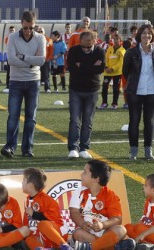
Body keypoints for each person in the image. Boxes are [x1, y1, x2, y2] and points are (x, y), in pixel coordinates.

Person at [0, 11, 45, 158]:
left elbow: (42, 60)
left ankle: (27, 149)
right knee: (13, 116)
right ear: (21, 24)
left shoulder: (40, 38)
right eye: (26, 27)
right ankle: (10, 147)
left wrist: (23, 57)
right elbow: (11, 60)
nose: (28, 31)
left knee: (31, 117)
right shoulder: (12, 37)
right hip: (16, 81)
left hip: (33, 81)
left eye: (31, 28)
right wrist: (31, 62)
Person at [70, 160, 135, 250]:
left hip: (105, 231)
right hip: (87, 232)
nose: (81, 174)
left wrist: (103, 225)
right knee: (77, 234)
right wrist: (83, 224)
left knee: (121, 230)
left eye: (85, 172)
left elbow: (117, 219)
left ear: (96, 179)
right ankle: (111, 246)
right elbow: (74, 212)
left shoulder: (110, 195)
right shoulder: (79, 192)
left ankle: (91, 248)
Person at [66, 31, 105, 160]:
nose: (85, 43)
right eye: (83, 40)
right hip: (76, 89)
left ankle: (84, 148)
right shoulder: (73, 50)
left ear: (94, 40)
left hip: (92, 90)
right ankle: (73, 147)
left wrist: (81, 66)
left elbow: (100, 69)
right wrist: (91, 66)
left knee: (88, 120)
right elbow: (72, 68)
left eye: (89, 41)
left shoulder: (99, 51)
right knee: (75, 120)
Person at [122, 24, 154, 160]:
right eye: (144, 33)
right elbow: (125, 71)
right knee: (134, 121)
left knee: (149, 122)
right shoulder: (131, 52)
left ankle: (148, 151)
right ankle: (133, 151)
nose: (147, 36)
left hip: (152, 91)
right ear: (139, 35)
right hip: (135, 91)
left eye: (149, 34)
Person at [21, 167, 71, 249]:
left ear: (31, 186)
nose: (22, 182)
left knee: (43, 224)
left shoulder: (47, 200)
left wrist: (34, 214)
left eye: (23, 180)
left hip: (56, 234)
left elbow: (52, 219)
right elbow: (27, 222)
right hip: (42, 237)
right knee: (29, 239)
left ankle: (65, 246)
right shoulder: (28, 200)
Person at [125, 174, 154, 247]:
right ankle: (145, 244)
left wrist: (143, 234)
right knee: (127, 227)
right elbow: (144, 217)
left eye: (145, 185)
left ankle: (144, 242)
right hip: (146, 230)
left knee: (139, 228)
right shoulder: (148, 201)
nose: (143, 186)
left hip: (150, 231)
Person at [101, 34, 125, 109]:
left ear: (120, 41)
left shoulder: (122, 50)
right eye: (114, 39)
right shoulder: (110, 48)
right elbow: (106, 58)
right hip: (107, 72)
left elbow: (121, 62)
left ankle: (114, 104)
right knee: (104, 87)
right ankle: (104, 103)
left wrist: (113, 69)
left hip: (117, 72)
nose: (115, 41)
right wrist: (106, 67)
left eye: (117, 39)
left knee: (115, 88)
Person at [36, 26, 53, 93]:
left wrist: (49, 58)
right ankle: (36, 88)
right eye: (38, 31)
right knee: (36, 75)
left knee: (46, 75)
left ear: (44, 32)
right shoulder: (34, 39)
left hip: (46, 60)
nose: (40, 33)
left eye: (41, 31)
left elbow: (51, 50)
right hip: (37, 60)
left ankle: (47, 88)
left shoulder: (49, 40)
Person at [4, 26, 16, 91]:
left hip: (16, 57)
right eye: (11, 30)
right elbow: (8, 45)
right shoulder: (7, 38)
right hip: (10, 57)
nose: (12, 31)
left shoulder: (17, 38)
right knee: (9, 71)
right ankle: (8, 86)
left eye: (13, 30)